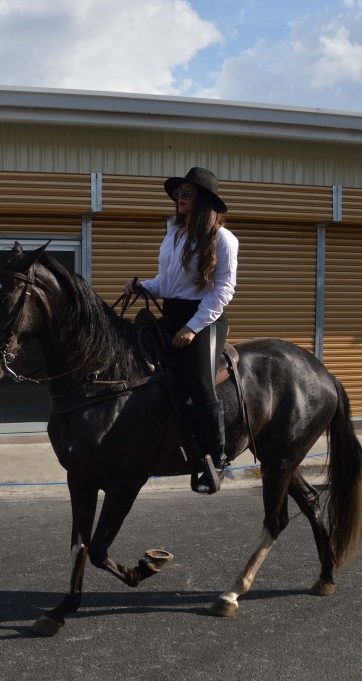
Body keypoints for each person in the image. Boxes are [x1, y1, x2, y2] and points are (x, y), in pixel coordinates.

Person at [125, 167, 239, 495]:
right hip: (172, 313)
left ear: (202, 200)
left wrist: (192, 327)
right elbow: (166, 283)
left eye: (187, 193)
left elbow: (223, 291)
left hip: (204, 318)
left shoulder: (223, 239)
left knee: (200, 382)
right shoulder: (174, 234)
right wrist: (141, 286)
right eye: (179, 193)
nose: (180, 199)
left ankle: (216, 460)